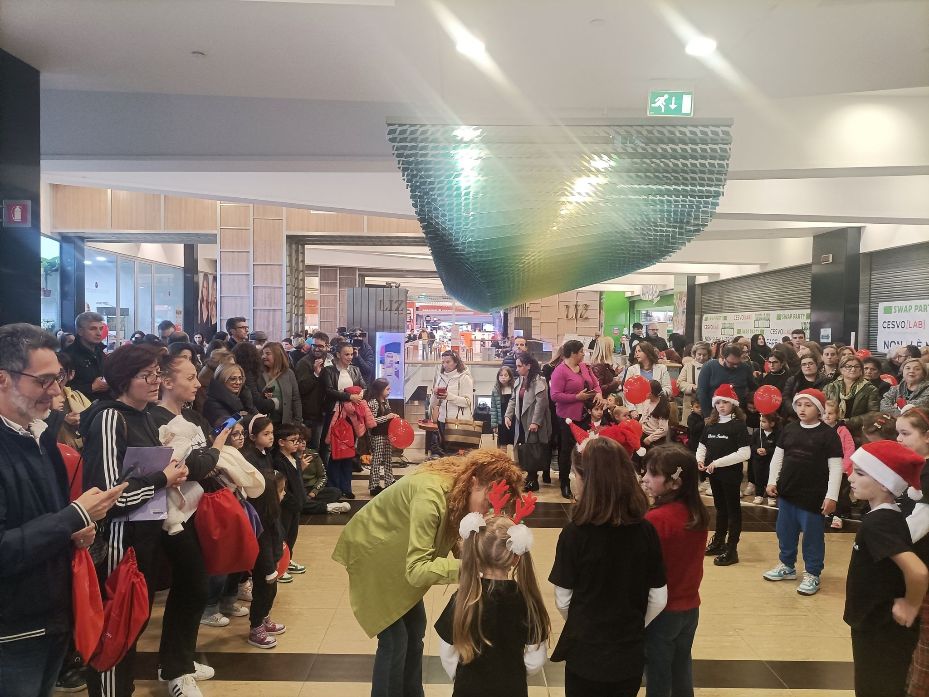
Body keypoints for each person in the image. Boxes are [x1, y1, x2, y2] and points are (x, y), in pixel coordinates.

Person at [0, 324, 126, 697]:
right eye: (43, 381)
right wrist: (73, 516)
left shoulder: (37, 436)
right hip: (12, 630)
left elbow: (40, 517)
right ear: (3, 379)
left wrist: (73, 531)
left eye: (57, 378)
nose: (56, 391)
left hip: (49, 617)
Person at [333, 449, 522, 697]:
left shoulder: (460, 488)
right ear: (475, 482)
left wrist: (473, 555)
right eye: (488, 503)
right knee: (394, 640)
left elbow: (451, 530)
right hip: (374, 555)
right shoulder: (430, 495)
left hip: (400, 551)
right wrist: (473, 567)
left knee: (415, 629)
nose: (487, 513)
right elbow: (417, 570)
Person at [80, 344, 194, 697]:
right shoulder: (110, 418)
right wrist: (162, 478)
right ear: (123, 380)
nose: (155, 381)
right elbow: (109, 497)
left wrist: (169, 474)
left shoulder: (144, 416)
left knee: (132, 627)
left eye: (157, 374)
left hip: (144, 536)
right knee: (115, 632)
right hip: (119, 541)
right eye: (146, 375)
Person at [549, 437, 667, 697]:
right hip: (628, 652)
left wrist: (585, 624)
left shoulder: (574, 533)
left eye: (575, 474)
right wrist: (633, 624)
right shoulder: (646, 530)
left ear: (588, 480)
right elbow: (658, 597)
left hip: (585, 652)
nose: (572, 479)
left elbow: (563, 598)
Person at [845, 442, 928, 697]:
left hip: (880, 628)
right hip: (875, 623)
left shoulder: (879, 523)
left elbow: (918, 571)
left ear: (884, 483)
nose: (851, 477)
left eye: (860, 473)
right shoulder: (887, 516)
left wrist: (910, 605)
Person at [435, 513, 549, 697]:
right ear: (516, 557)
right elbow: (536, 658)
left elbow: (448, 652)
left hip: (468, 689)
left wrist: (463, 676)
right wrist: (511, 674)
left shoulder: (464, 598)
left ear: (476, 555)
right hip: (512, 689)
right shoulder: (527, 601)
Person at [641, 444, 709, 697]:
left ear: (675, 483)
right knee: (681, 667)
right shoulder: (696, 513)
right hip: (689, 607)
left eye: (653, 474)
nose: (645, 478)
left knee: (658, 674)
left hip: (662, 611)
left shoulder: (656, 520)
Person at [762, 389, 843, 596]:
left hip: (813, 496)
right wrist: (772, 481)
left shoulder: (828, 435)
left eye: (808, 405)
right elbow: (778, 458)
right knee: (785, 532)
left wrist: (832, 496)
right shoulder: (789, 429)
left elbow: (836, 467)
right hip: (787, 493)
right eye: (799, 404)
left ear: (819, 409)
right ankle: (787, 565)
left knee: (812, 537)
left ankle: (813, 573)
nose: (802, 409)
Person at [240, 416, 287, 643]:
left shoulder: (266, 455)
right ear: (252, 436)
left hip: (270, 520)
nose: (271, 437)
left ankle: (264, 616)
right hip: (262, 521)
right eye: (266, 434)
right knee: (264, 586)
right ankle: (256, 626)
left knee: (270, 587)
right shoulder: (249, 458)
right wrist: (269, 565)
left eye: (272, 433)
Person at [698, 384, 751, 567]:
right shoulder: (711, 425)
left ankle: (732, 548)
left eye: (725, 402)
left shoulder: (738, 426)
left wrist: (717, 463)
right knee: (720, 508)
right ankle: (719, 541)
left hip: (730, 475)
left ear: (733, 404)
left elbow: (744, 453)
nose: (721, 406)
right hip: (714, 475)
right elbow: (702, 445)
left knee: (733, 511)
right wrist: (700, 459)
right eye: (718, 402)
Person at [549, 339, 603, 499]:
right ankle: (564, 483)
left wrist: (599, 393)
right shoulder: (560, 371)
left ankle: (586, 481)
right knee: (566, 450)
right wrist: (576, 397)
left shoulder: (585, 367)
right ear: (573, 353)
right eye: (581, 351)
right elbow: (555, 396)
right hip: (568, 417)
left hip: (586, 415)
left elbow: (596, 384)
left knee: (587, 449)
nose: (583, 354)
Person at [322, 341, 366, 496]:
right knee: (335, 450)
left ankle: (346, 487)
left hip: (351, 415)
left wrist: (360, 393)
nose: (350, 357)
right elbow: (328, 391)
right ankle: (334, 487)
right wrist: (349, 396)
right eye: (346, 354)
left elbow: (363, 386)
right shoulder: (328, 370)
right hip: (334, 413)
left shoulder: (355, 369)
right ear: (338, 354)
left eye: (351, 354)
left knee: (348, 451)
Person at [505, 352, 551, 492]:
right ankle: (529, 478)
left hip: (533, 420)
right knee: (524, 448)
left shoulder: (539, 381)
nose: (517, 369)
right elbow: (513, 399)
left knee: (533, 449)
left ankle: (533, 480)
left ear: (528, 366)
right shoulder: (519, 380)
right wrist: (508, 415)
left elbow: (541, 403)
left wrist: (535, 422)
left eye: (519, 366)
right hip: (521, 420)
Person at [273, 423, 308, 579]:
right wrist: (293, 502)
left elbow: (298, 481)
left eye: (298, 440)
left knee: (292, 535)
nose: (296, 443)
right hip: (286, 506)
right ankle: (280, 565)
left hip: (296, 505)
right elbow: (283, 488)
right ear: (281, 442)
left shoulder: (294, 457)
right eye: (293, 440)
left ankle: (288, 559)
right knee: (283, 535)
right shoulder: (278, 461)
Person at [823, 354, 880, 442]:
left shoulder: (870, 389)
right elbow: (822, 408)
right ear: (841, 369)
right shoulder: (830, 387)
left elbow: (873, 414)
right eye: (848, 366)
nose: (853, 369)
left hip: (857, 432)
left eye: (856, 366)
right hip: (830, 429)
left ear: (861, 370)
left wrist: (848, 422)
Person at [294, 331, 331, 457]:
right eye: (314, 345)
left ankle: (324, 469)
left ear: (327, 346)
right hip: (312, 414)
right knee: (313, 448)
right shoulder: (304, 363)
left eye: (320, 346)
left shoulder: (330, 361)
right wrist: (315, 374)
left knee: (326, 448)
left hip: (328, 411)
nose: (316, 349)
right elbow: (301, 388)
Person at [431, 350, 475, 449]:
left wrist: (448, 396)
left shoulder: (465, 378)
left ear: (456, 362)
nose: (445, 365)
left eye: (448, 362)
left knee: (456, 453)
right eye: (443, 362)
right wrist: (434, 394)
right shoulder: (440, 378)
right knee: (444, 452)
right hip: (442, 420)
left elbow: (467, 402)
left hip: (458, 422)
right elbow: (433, 405)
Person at [696, 344, 756, 415]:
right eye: (731, 363)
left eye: (738, 363)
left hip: (739, 412)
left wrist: (750, 401)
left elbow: (753, 387)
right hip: (714, 413)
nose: (735, 366)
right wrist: (707, 415)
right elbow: (702, 392)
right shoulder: (709, 367)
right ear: (723, 357)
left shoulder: (745, 367)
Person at [63, 311, 110, 401]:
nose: (99, 333)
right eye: (93, 329)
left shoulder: (100, 352)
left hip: (104, 404)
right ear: (80, 331)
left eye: (101, 328)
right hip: (81, 406)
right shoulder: (68, 356)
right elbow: (61, 388)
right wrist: (91, 387)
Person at [364, 377, 399, 496]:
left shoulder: (385, 401)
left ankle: (389, 480)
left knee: (388, 458)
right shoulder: (373, 402)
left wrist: (393, 417)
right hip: (377, 435)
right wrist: (387, 417)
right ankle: (374, 485)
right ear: (380, 389)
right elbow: (371, 421)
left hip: (387, 433)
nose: (389, 391)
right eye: (387, 389)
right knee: (377, 460)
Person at [259, 342, 302, 426]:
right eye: (263, 354)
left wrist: (298, 421)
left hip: (285, 423)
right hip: (264, 424)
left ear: (277, 355)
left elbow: (296, 399)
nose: (263, 356)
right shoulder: (259, 374)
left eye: (267, 354)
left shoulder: (289, 373)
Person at [202, 362, 256, 426]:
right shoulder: (212, 403)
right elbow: (228, 426)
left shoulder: (240, 397)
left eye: (240, 378)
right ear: (222, 379)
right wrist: (250, 418)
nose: (238, 382)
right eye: (233, 379)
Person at [231, 342, 276, 416]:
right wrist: (274, 402)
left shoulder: (235, 372)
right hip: (249, 415)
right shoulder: (248, 375)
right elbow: (257, 402)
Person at [782, 353, 828, 418]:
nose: (807, 366)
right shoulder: (793, 380)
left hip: (818, 416)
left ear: (817, 365)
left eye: (810, 363)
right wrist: (795, 410)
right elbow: (786, 397)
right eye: (804, 364)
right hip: (795, 415)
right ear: (800, 367)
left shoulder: (826, 381)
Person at [751, 412, 782, 506]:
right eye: (760, 421)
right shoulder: (757, 433)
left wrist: (767, 451)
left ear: (772, 423)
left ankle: (771, 496)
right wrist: (757, 449)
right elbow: (751, 445)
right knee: (758, 478)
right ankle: (759, 495)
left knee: (770, 478)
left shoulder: (778, 434)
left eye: (764, 421)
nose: (761, 423)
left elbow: (778, 448)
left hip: (770, 461)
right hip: (758, 461)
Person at [678, 342, 710, 420]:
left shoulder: (712, 366)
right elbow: (680, 383)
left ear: (708, 355)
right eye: (699, 354)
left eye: (704, 355)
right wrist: (692, 387)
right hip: (690, 403)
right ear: (694, 354)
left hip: (708, 403)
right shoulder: (688, 366)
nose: (701, 357)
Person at [640, 380, 671, 450]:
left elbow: (663, 429)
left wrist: (650, 438)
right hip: (644, 434)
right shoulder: (646, 401)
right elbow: (644, 416)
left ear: (652, 393)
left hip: (655, 439)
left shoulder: (662, 406)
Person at [490, 366, 515, 452]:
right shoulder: (495, 390)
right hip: (501, 420)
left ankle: (513, 458)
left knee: (514, 441)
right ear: (498, 377)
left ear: (510, 377)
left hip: (513, 418)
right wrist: (494, 424)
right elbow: (493, 408)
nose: (503, 377)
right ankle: (503, 458)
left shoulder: (514, 388)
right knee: (502, 442)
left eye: (506, 375)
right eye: (501, 375)